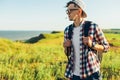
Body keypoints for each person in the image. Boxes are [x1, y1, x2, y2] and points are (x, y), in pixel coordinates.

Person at [63, 0, 109, 80]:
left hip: (91, 74)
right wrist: (65, 47)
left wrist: (92, 44)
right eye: (67, 10)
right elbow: (68, 53)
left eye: (70, 10)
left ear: (79, 11)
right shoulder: (67, 30)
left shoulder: (93, 26)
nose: (68, 13)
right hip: (74, 75)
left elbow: (106, 47)